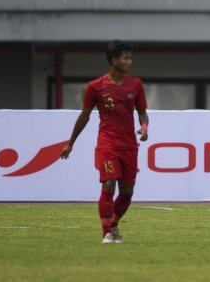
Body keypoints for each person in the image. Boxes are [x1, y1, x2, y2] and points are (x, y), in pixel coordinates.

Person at [60, 40, 149, 244]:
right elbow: (84, 116)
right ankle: (106, 232)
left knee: (127, 192)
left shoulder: (135, 85)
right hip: (107, 144)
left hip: (129, 146)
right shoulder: (95, 87)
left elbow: (143, 114)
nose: (130, 61)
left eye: (130, 57)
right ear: (114, 60)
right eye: (126, 58)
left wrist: (144, 128)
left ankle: (114, 224)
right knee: (108, 184)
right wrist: (70, 142)